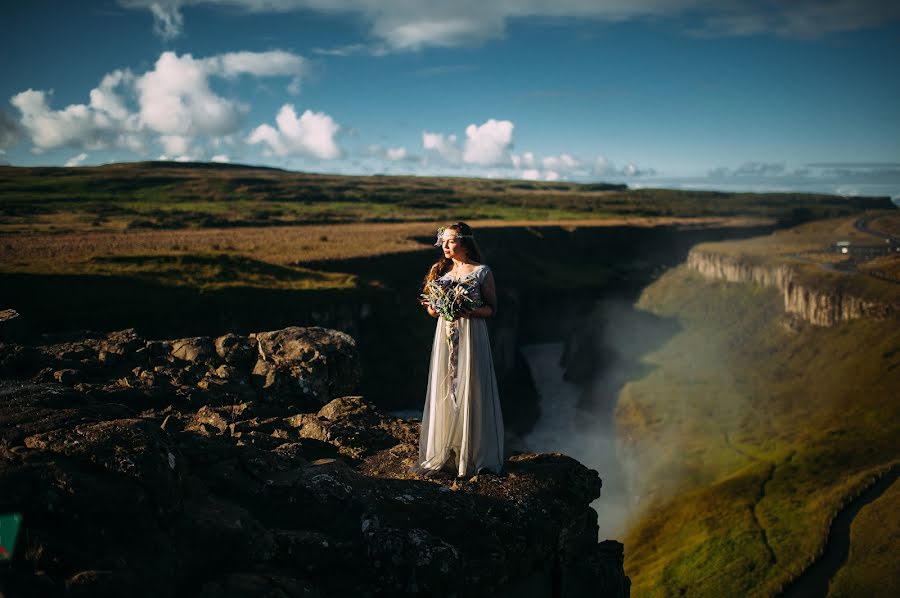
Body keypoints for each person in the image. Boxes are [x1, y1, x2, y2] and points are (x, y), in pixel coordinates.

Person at [411, 222, 505, 478]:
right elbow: (431, 310)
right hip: (446, 335)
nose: (445, 246)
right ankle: (447, 447)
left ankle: (470, 455)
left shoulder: (482, 272)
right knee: (447, 387)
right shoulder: (440, 272)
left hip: (472, 336)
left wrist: (471, 311)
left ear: (464, 243)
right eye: (443, 242)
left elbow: (491, 309)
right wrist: (436, 306)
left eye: (450, 241)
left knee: (470, 387)